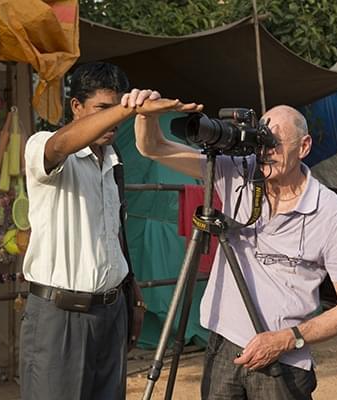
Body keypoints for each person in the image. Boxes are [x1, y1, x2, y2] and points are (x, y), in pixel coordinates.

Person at [134, 104, 337, 399]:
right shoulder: (237, 175)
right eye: (262, 139)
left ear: (304, 146)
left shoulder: (331, 212)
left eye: (276, 141)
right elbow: (153, 147)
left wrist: (286, 339)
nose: (266, 150)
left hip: (284, 357)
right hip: (224, 346)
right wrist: (145, 114)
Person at [20, 62, 201, 400]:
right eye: (104, 110)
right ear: (76, 107)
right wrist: (126, 109)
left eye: (119, 110)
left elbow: (114, 233)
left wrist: (132, 296)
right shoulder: (46, 145)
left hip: (110, 313)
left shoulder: (113, 162)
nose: (115, 120)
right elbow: (59, 146)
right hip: (60, 318)